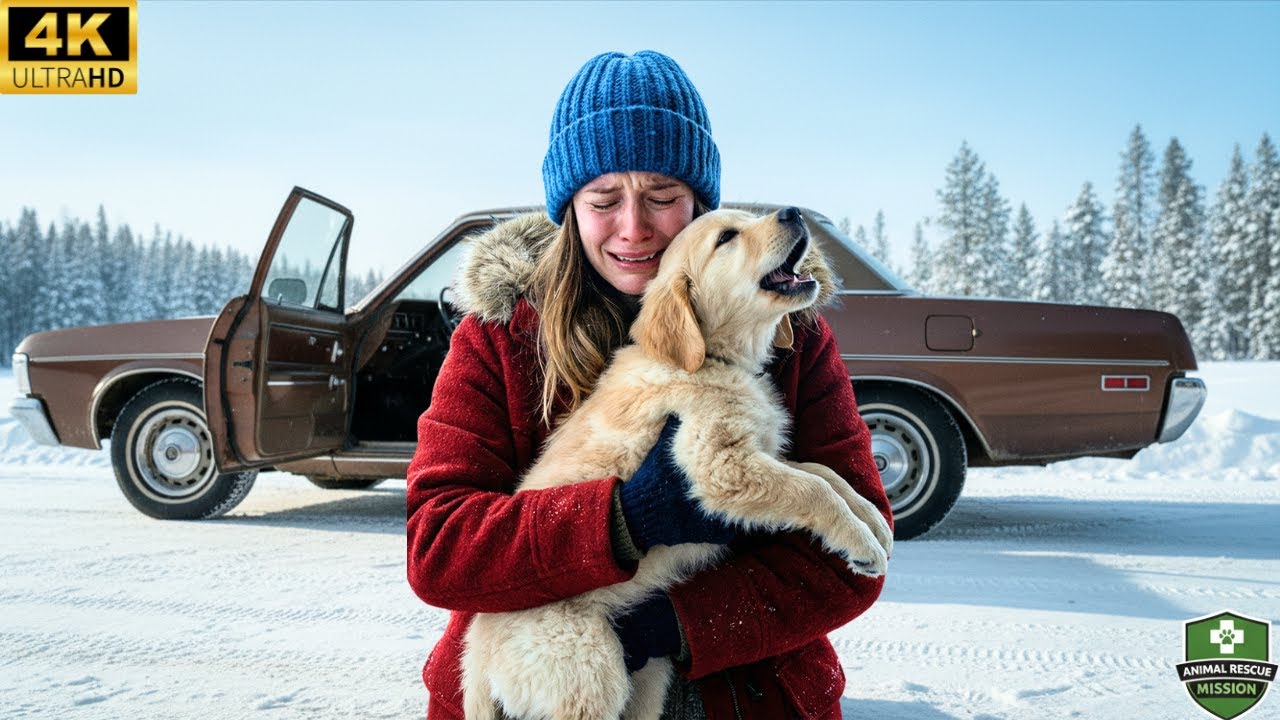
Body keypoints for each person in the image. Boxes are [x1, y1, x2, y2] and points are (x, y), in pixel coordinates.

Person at [406, 50, 891, 720]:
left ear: (698, 204)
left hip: (741, 692)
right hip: (541, 677)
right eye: (603, 199)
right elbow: (442, 549)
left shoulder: (787, 332)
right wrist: (621, 519)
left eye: (662, 198)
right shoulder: (502, 335)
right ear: (569, 208)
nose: (634, 226)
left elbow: (852, 560)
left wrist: (675, 623)